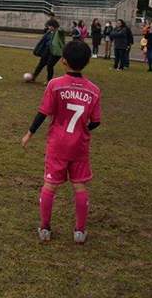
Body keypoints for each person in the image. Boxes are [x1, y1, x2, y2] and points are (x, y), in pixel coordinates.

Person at [21, 40, 101, 244]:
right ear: (88, 62)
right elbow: (96, 122)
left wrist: (30, 133)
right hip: (79, 147)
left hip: (57, 144)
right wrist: (83, 131)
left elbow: (43, 112)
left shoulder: (55, 85)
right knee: (80, 187)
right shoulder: (94, 90)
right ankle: (79, 232)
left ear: (63, 61)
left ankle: (45, 228)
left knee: (49, 186)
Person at [29, 19, 66, 84]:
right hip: (47, 49)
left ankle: (49, 80)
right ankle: (33, 76)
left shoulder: (58, 32)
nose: (48, 27)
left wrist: (60, 30)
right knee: (41, 63)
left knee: (50, 65)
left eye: (50, 26)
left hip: (55, 51)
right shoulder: (48, 32)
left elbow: (63, 32)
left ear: (53, 26)